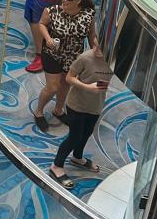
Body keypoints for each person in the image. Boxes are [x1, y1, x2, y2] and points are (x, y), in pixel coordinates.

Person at [33, 0, 99, 132]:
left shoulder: (88, 15)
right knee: (52, 87)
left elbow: (91, 34)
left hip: (74, 56)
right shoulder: (52, 11)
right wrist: (48, 38)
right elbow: (42, 24)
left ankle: (58, 109)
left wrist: (95, 47)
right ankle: (39, 111)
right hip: (52, 53)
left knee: (66, 84)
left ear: (78, 1)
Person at [48, 41, 113, 188]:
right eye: (96, 44)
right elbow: (69, 78)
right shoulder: (86, 58)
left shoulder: (114, 60)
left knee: (87, 133)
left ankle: (77, 158)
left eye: (101, 47)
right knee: (75, 136)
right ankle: (56, 166)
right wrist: (87, 87)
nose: (96, 48)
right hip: (77, 104)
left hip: (95, 105)